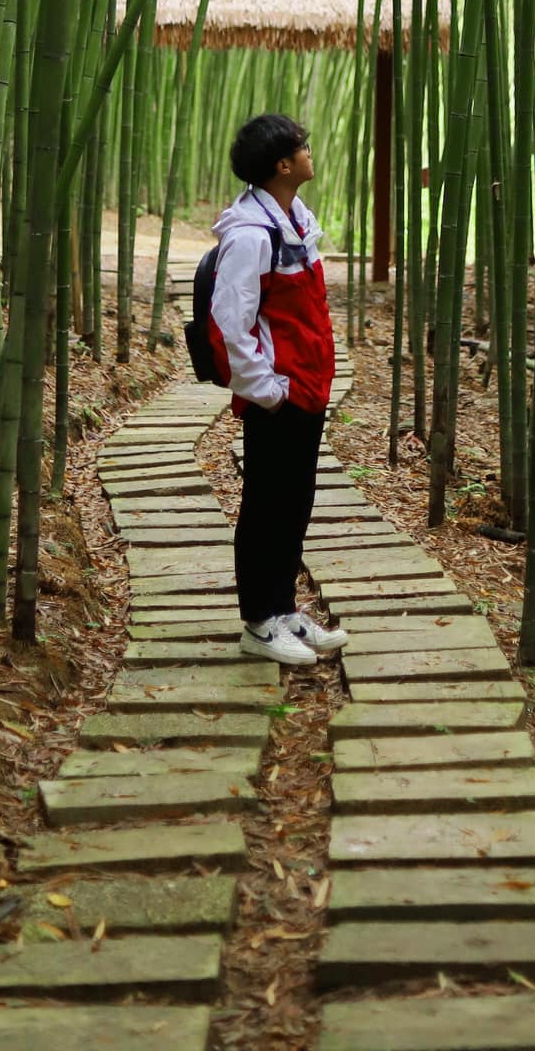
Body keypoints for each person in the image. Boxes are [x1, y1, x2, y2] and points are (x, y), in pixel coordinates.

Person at [208, 112, 348, 668]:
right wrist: (267, 390)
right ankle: (258, 621)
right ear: (283, 165)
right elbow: (229, 323)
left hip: (306, 386)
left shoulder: (295, 219)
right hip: (280, 393)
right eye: (302, 147)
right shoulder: (250, 235)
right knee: (266, 504)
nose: (310, 152)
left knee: (295, 501)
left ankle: (283, 609)